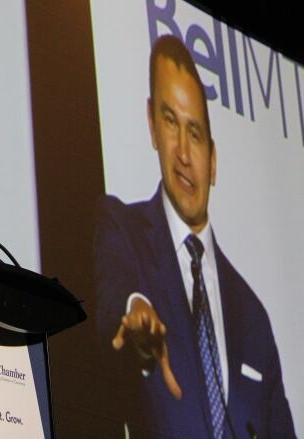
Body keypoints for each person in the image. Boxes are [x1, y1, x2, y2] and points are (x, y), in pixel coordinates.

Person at [94, 35, 295, 438]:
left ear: (214, 160)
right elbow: (113, 295)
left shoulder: (253, 315)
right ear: (151, 124)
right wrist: (135, 312)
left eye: (196, 134)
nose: (184, 153)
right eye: (170, 122)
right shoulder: (121, 229)